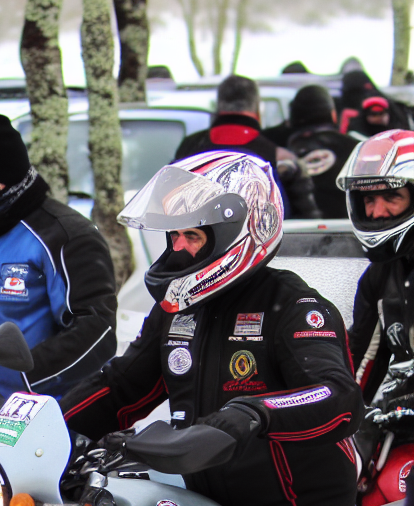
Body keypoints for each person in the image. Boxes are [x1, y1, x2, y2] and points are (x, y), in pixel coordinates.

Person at [61, 150, 367, 506]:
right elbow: (122, 390)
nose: (179, 248)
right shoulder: (177, 311)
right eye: (173, 236)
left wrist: (252, 416)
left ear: (239, 231)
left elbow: (340, 398)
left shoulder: (295, 306)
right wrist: (49, 427)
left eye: (193, 236)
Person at [0, 113, 118, 419]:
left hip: (53, 421)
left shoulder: (64, 236)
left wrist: (26, 384)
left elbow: (96, 331)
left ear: (0, 177)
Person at [175, 74, 320, 218]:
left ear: (218, 106)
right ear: (257, 108)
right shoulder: (279, 156)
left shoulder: (189, 148)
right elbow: (303, 221)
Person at [343, 131, 414, 406]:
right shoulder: (380, 274)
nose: (377, 213)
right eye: (369, 201)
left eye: (391, 197)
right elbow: (361, 358)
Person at [283, 85, 359, 218]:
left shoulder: (279, 151)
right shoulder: (357, 149)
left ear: (292, 116)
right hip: (347, 230)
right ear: (333, 115)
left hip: (294, 232)